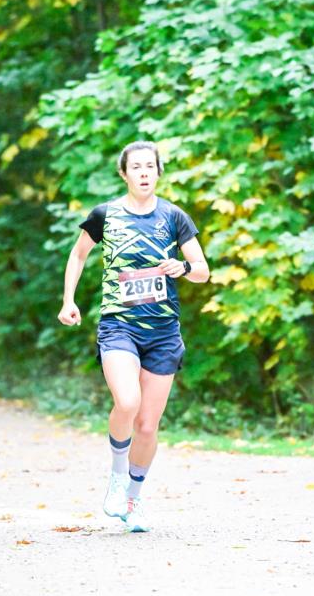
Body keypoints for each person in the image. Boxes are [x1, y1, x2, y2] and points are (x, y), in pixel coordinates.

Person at [57, 140, 210, 532]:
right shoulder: (105, 215)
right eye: (136, 167)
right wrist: (69, 300)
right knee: (127, 402)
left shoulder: (174, 216)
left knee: (146, 426)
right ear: (124, 174)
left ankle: (133, 499)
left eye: (150, 167)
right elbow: (78, 254)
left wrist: (181, 267)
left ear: (158, 173)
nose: (144, 173)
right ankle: (116, 476)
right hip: (119, 326)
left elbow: (202, 270)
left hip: (163, 332)